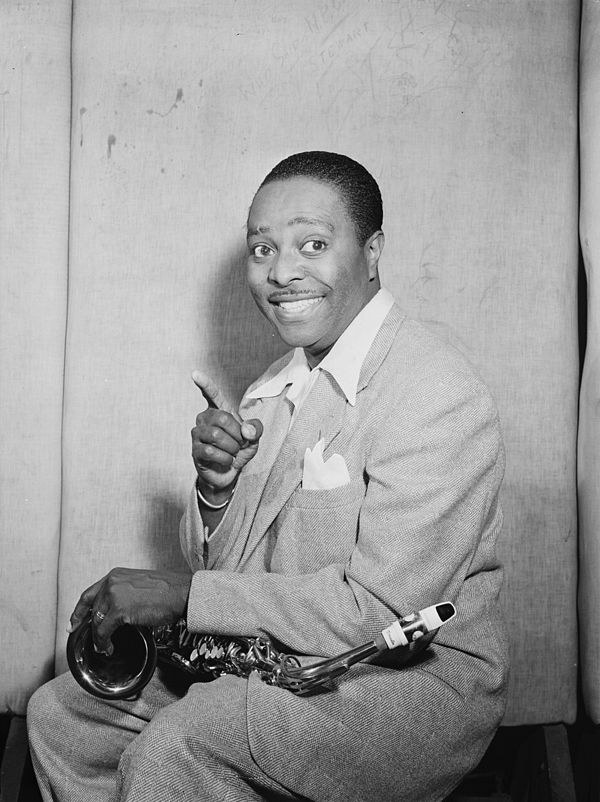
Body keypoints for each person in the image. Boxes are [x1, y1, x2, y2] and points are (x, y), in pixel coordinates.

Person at [27, 151, 508, 802]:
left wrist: (183, 593)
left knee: (178, 748)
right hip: (287, 664)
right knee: (62, 718)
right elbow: (232, 570)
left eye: (312, 243)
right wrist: (217, 491)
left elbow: (381, 612)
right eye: (262, 249)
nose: (282, 272)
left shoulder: (437, 393)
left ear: (372, 252)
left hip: (404, 686)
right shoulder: (270, 390)